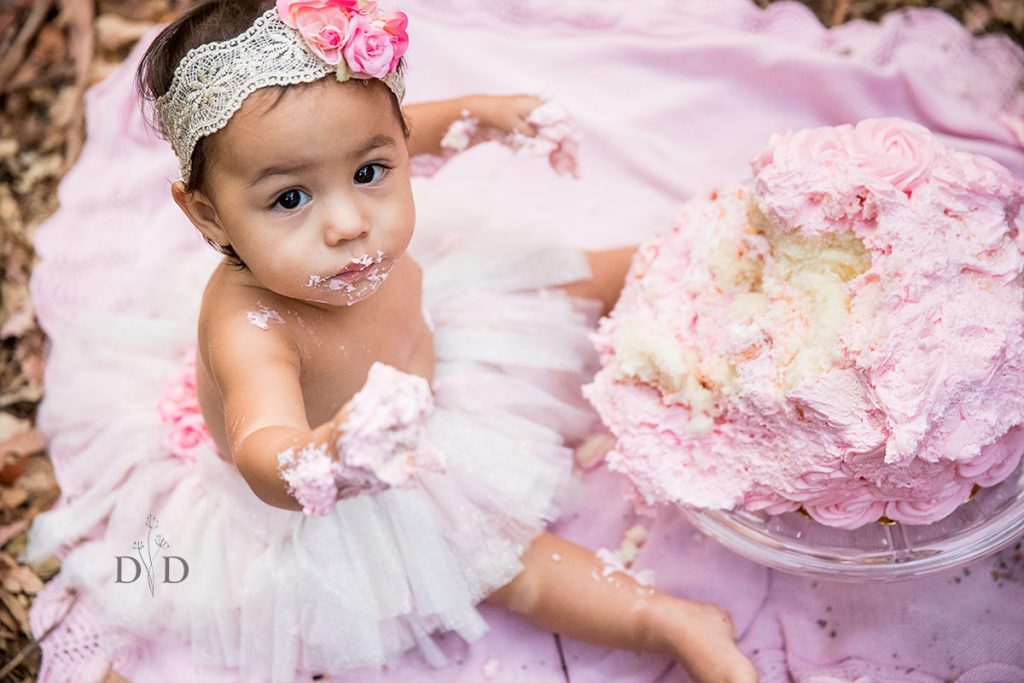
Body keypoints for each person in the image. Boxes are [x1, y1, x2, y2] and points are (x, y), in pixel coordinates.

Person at [27, 1, 757, 681]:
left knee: (553, 281)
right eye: (290, 197)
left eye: (369, 173)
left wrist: (486, 115)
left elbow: (406, 127)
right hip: (363, 476)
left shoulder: (347, 231)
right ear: (208, 217)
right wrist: (328, 455)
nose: (349, 223)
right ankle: (665, 618)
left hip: (431, 334)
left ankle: (700, 248)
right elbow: (262, 440)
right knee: (499, 563)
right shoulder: (251, 327)